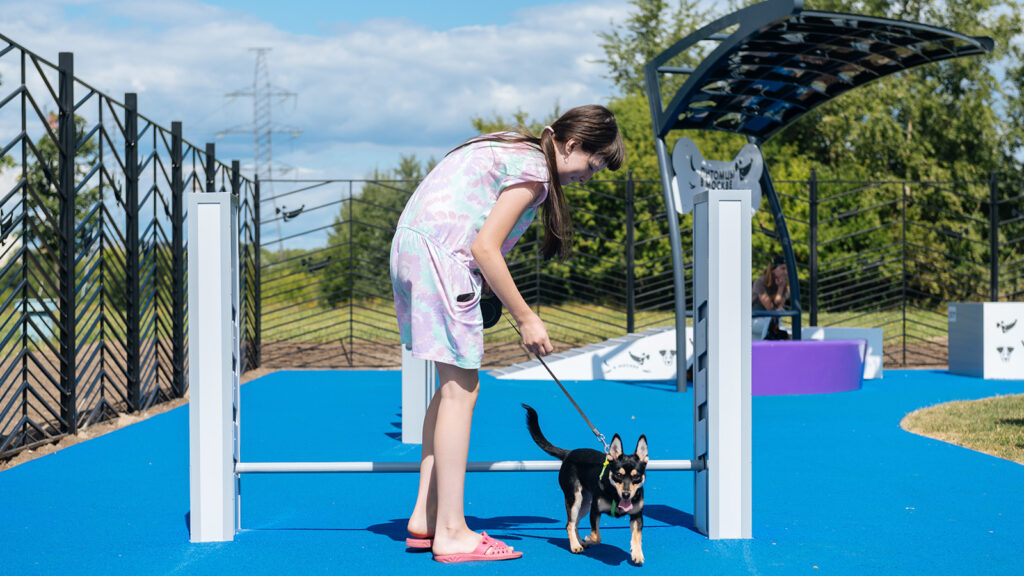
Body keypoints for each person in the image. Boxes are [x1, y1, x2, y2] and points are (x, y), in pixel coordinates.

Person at [390, 105, 625, 562]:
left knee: (449, 390)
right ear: (572, 144)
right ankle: (452, 533)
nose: (588, 177)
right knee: (462, 392)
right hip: (442, 259)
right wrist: (526, 317)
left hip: (413, 249)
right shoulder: (535, 170)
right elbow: (484, 247)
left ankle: (425, 516)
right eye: (592, 165)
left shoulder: (512, 146)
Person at [752, 255, 790, 340]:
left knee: (783, 332)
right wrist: (780, 288)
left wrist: (781, 288)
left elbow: (779, 307)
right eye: (782, 268)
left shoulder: (784, 284)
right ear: (773, 270)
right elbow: (770, 309)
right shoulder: (760, 282)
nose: (786, 272)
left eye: (787, 269)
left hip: (771, 320)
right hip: (754, 319)